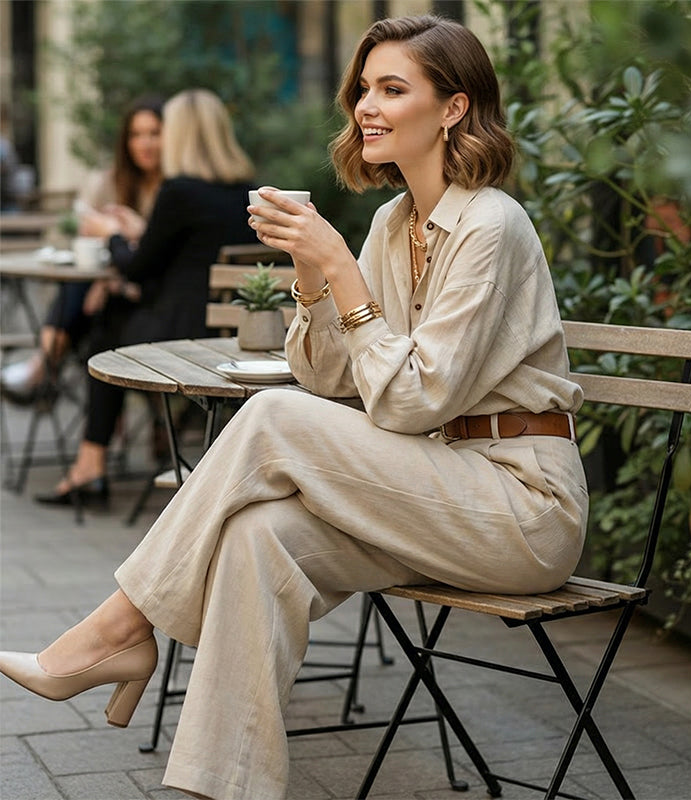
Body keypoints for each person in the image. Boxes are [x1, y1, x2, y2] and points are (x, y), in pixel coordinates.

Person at [0, 16, 588, 800]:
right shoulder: (391, 223)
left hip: (519, 506)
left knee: (271, 419)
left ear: (452, 108)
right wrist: (312, 277)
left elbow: (412, 402)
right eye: (363, 91)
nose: (366, 108)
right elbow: (325, 377)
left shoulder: (491, 227)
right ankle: (222, 787)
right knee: (255, 536)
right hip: (432, 489)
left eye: (391, 89)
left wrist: (339, 269)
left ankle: (115, 630)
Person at [34, 88, 256, 508]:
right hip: (235, 334)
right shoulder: (248, 191)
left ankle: (89, 463)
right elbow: (182, 264)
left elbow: (137, 269)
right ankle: (95, 448)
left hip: (182, 335)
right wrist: (139, 233)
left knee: (104, 332)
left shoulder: (179, 191)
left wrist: (112, 234)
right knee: (108, 312)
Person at [0, 94, 164, 403]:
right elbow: (73, 233)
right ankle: (44, 369)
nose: (145, 143)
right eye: (136, 135)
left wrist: (110, 275)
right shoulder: (110, 183)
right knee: (83, 297)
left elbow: (152, 260)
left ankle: (42, 369)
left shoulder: (173, 191)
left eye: (154, 133)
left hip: (144, 296)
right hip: (106, 291)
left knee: (91, 306)